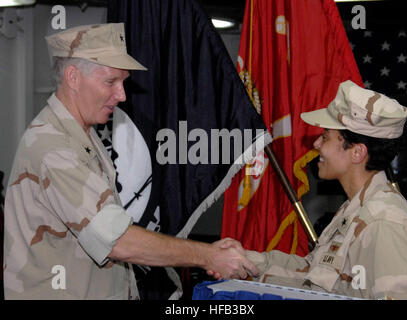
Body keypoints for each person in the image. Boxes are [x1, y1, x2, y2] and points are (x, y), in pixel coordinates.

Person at [2, 23, 258, 300]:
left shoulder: (82, 134)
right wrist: (207, 256)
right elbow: (117, 241)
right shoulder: (55, 147)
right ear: (73, 77)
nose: (122, 95)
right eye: (110, 82)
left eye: (123, 82)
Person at [245, 80, 407, 299]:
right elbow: (312, 274)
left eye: (326, 136)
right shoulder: (356, 207)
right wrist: (244, 262)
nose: (317, 144)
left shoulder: (382, 220)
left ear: (357, 153)